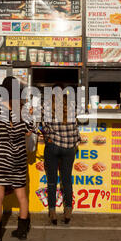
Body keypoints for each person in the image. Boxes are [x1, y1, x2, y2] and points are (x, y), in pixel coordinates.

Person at [0, 76, 35, 241]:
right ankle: (21, 230)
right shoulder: (23, 109)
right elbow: (29, 132)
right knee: (21, 195)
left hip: (1, 155)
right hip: (19, 155)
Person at [42, 91, 80, 225]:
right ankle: (68, 211)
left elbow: (45, 129)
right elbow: (75, 129)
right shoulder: (71, 109)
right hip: (69, 148)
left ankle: (52, 213)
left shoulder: (47, 109)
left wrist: (49, 138)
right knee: (67, 180)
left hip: (53, 146)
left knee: (52, 181)